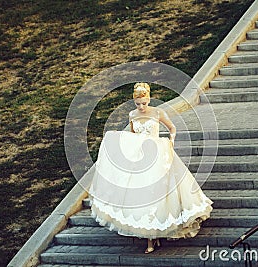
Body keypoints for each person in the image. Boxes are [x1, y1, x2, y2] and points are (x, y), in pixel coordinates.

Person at [89, 82, 213, 254]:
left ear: (149, 100)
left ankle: (153, 238)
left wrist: (171, 141)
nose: (141, 107)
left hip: (157, 153)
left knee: (156, 194)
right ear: (134, 102)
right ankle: (149, 237)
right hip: (139, 158)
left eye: (144, 103)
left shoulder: (157, 112)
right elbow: (133, 135)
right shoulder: (132, 114)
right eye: (138, 103)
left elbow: (172, 127)